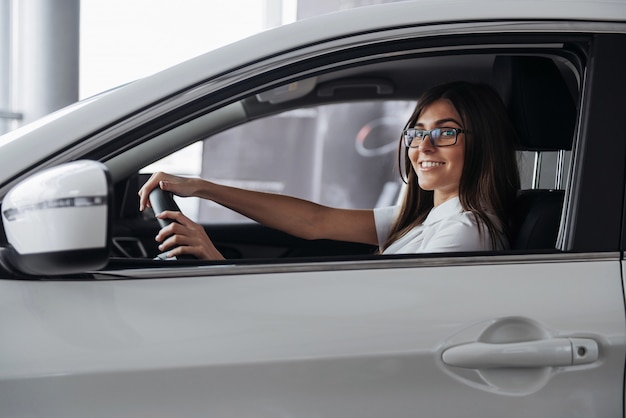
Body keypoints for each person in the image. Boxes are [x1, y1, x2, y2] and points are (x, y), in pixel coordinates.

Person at [138, 81, 521, 260]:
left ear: (482, 142)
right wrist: (203, 188)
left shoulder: (464, 232)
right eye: (418, 132)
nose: (424, 146)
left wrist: (216, 264)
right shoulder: (428, 218)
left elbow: (381, 322)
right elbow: (313, 221)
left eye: (446, 132)